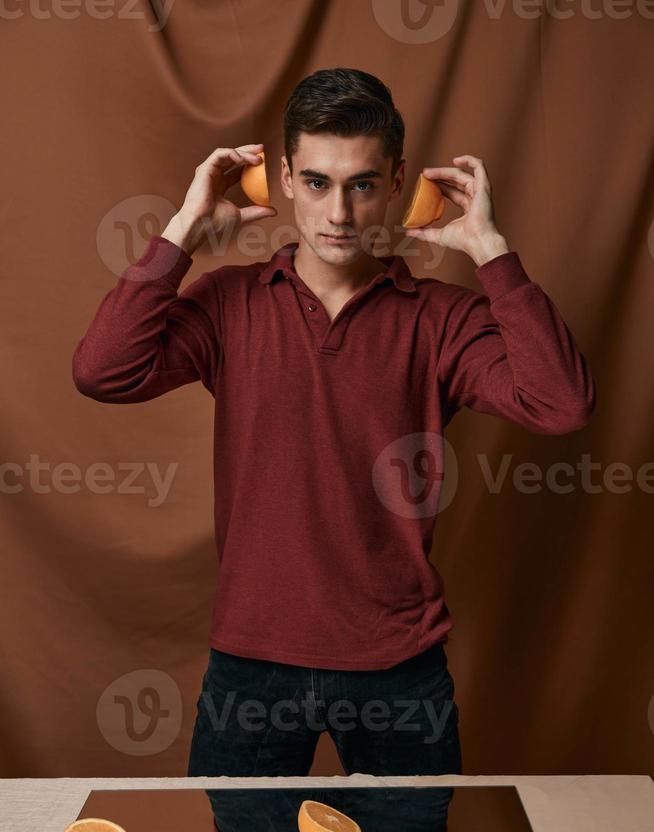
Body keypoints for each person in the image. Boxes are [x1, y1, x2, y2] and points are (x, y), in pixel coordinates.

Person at [72, 68, 595, 779]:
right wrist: (181, 234)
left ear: (399, 182)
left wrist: (492, 254)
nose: (340, 213)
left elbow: (561, 404)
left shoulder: (442, 318)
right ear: (284, 178)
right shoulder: (230, 302)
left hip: (399, 672)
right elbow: (103, 372)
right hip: (252, 668)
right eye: (317, 182)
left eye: (362, 184)